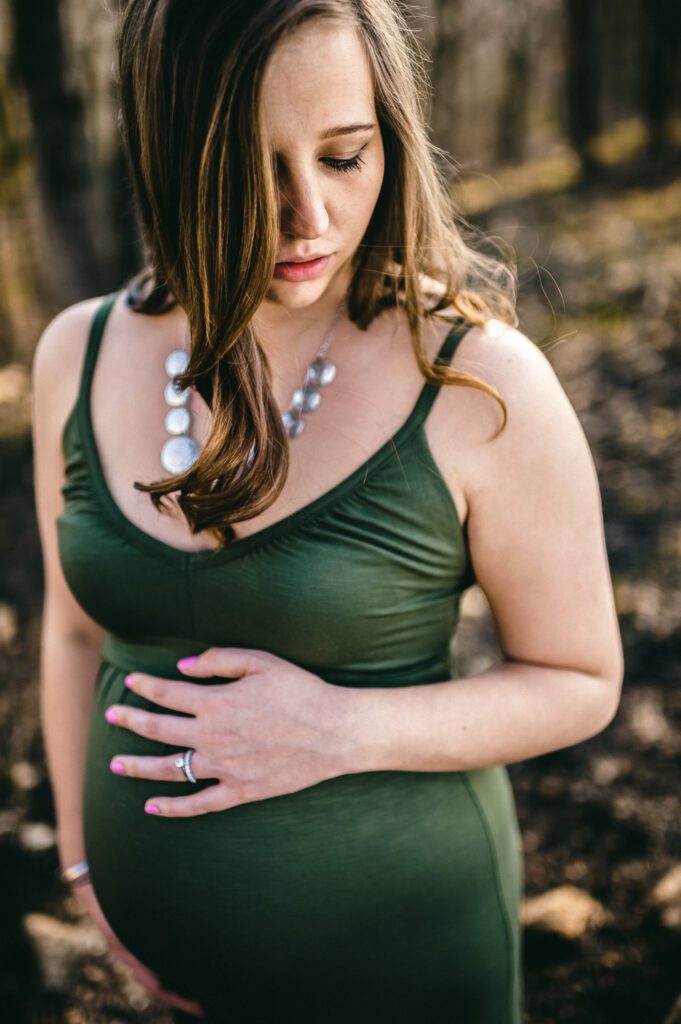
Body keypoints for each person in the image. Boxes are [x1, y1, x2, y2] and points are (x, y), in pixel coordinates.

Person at [31, 2, 624, 1022]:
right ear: (173, 155)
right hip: (176, 981)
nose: (309, 216)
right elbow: (75, 628)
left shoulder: (479, 382)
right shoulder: (75, 355)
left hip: (407, 968)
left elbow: (580, 680)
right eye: (252, 169)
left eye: (346, 156)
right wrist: (89, 872)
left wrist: (338, 728)